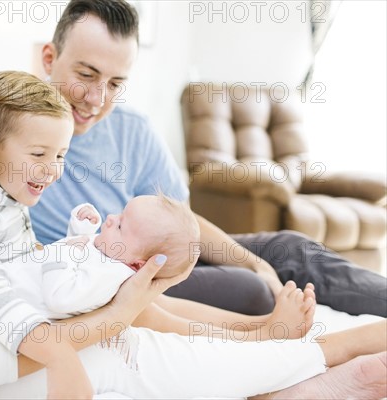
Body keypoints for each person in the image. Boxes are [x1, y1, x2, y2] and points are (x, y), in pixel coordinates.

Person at [0, 1, 386, 399]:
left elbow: (176, 217)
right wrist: (106, 315)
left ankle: (296, 350)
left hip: (94, 267)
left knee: (281, 253)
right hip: (68, 282)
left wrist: (242, 259)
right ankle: (297, 361)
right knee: (157, 327)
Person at [24, 0, 387, 318]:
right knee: (251, 288)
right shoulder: (5, 128)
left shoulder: (130, 129)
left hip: (163, 250)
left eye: (115, 84)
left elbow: (182, 220)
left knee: (292, 250)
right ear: (49, 58)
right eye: (86, 75)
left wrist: (254, 261)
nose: (97, 98)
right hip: (117, 275)